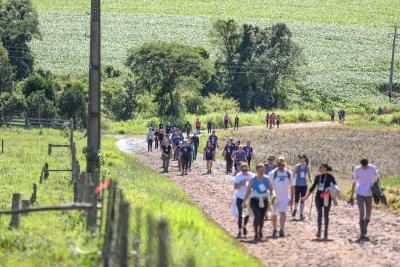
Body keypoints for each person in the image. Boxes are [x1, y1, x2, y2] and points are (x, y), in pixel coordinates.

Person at [302, 163, 337, 240]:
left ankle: (326, 233)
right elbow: (313, 187)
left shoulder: (331, 177)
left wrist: (330, 192)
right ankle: (319, 231)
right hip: (318, 197)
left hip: (327, 198)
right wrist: (305, 197)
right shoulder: (318, 177)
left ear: (325, 168)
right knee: (319, 214)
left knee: (326, 215)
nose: (319, 168)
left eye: (320, 167)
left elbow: (335, 187)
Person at [349, 159, 380, 240]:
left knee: (368, 214)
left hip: (369, 194)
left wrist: (375, 187)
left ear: (368, 164)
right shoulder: (357, 169)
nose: (365, 168)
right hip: (359, 193)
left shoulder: (372, 168)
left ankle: (364, 226)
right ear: (361, 165)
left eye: (366, 166)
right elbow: (354, 182)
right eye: (363, 166)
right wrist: (351, 196)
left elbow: (377, 177)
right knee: (362, 212)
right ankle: (363, 233)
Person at [242, 164, 273, 240]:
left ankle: (260, 231)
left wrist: (272, 198)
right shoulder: (253, 179)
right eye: (260, 170)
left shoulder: (267, 178)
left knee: (262, 217)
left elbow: (271, 189)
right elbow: (248, 190)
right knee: (257, 215)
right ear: (257, 170)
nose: (261, 171)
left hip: (264, 199)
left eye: (262, 170)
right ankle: (256, 232)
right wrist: (244, 201)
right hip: (254, 200)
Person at [269, 157, 295, 238]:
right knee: (274, 214)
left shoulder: (289, 173)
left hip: (284, 196)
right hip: (274, 196)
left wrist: (292, 198)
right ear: (277, 164)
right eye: (279, 165)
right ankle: (274, 229)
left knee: (283, 212)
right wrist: (271, 195)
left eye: (282, 165)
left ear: (285, 164)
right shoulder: (273, 173)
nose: (281, 166)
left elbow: (292, 186)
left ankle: (281, 229)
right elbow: (269, 186)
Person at [233, 163, 254, 239]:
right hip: (240, 197)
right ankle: (239, 230)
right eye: (243, 170)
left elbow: (255, 186)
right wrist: (242, 184)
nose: (245, 171)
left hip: (248, 198)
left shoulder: (251, 176)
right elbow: (235, 187)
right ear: (241, 170)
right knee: (240, 214)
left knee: (246, 214)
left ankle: (244, 225)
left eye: (246, 170)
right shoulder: (238, 176)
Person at [292, 155, 312, 220]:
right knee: (296, 198)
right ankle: (295, 209)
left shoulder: (307, 167)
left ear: (305, 160)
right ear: (300, 160)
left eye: (303, 160)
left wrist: (312, 182)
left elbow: (309, 176)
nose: (302, 161)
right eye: (301, 160)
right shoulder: (297, 166)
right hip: (297, 185)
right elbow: (293, 175)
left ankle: (301, 214)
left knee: (302, 199)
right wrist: (292, 182)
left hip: (304, 185)